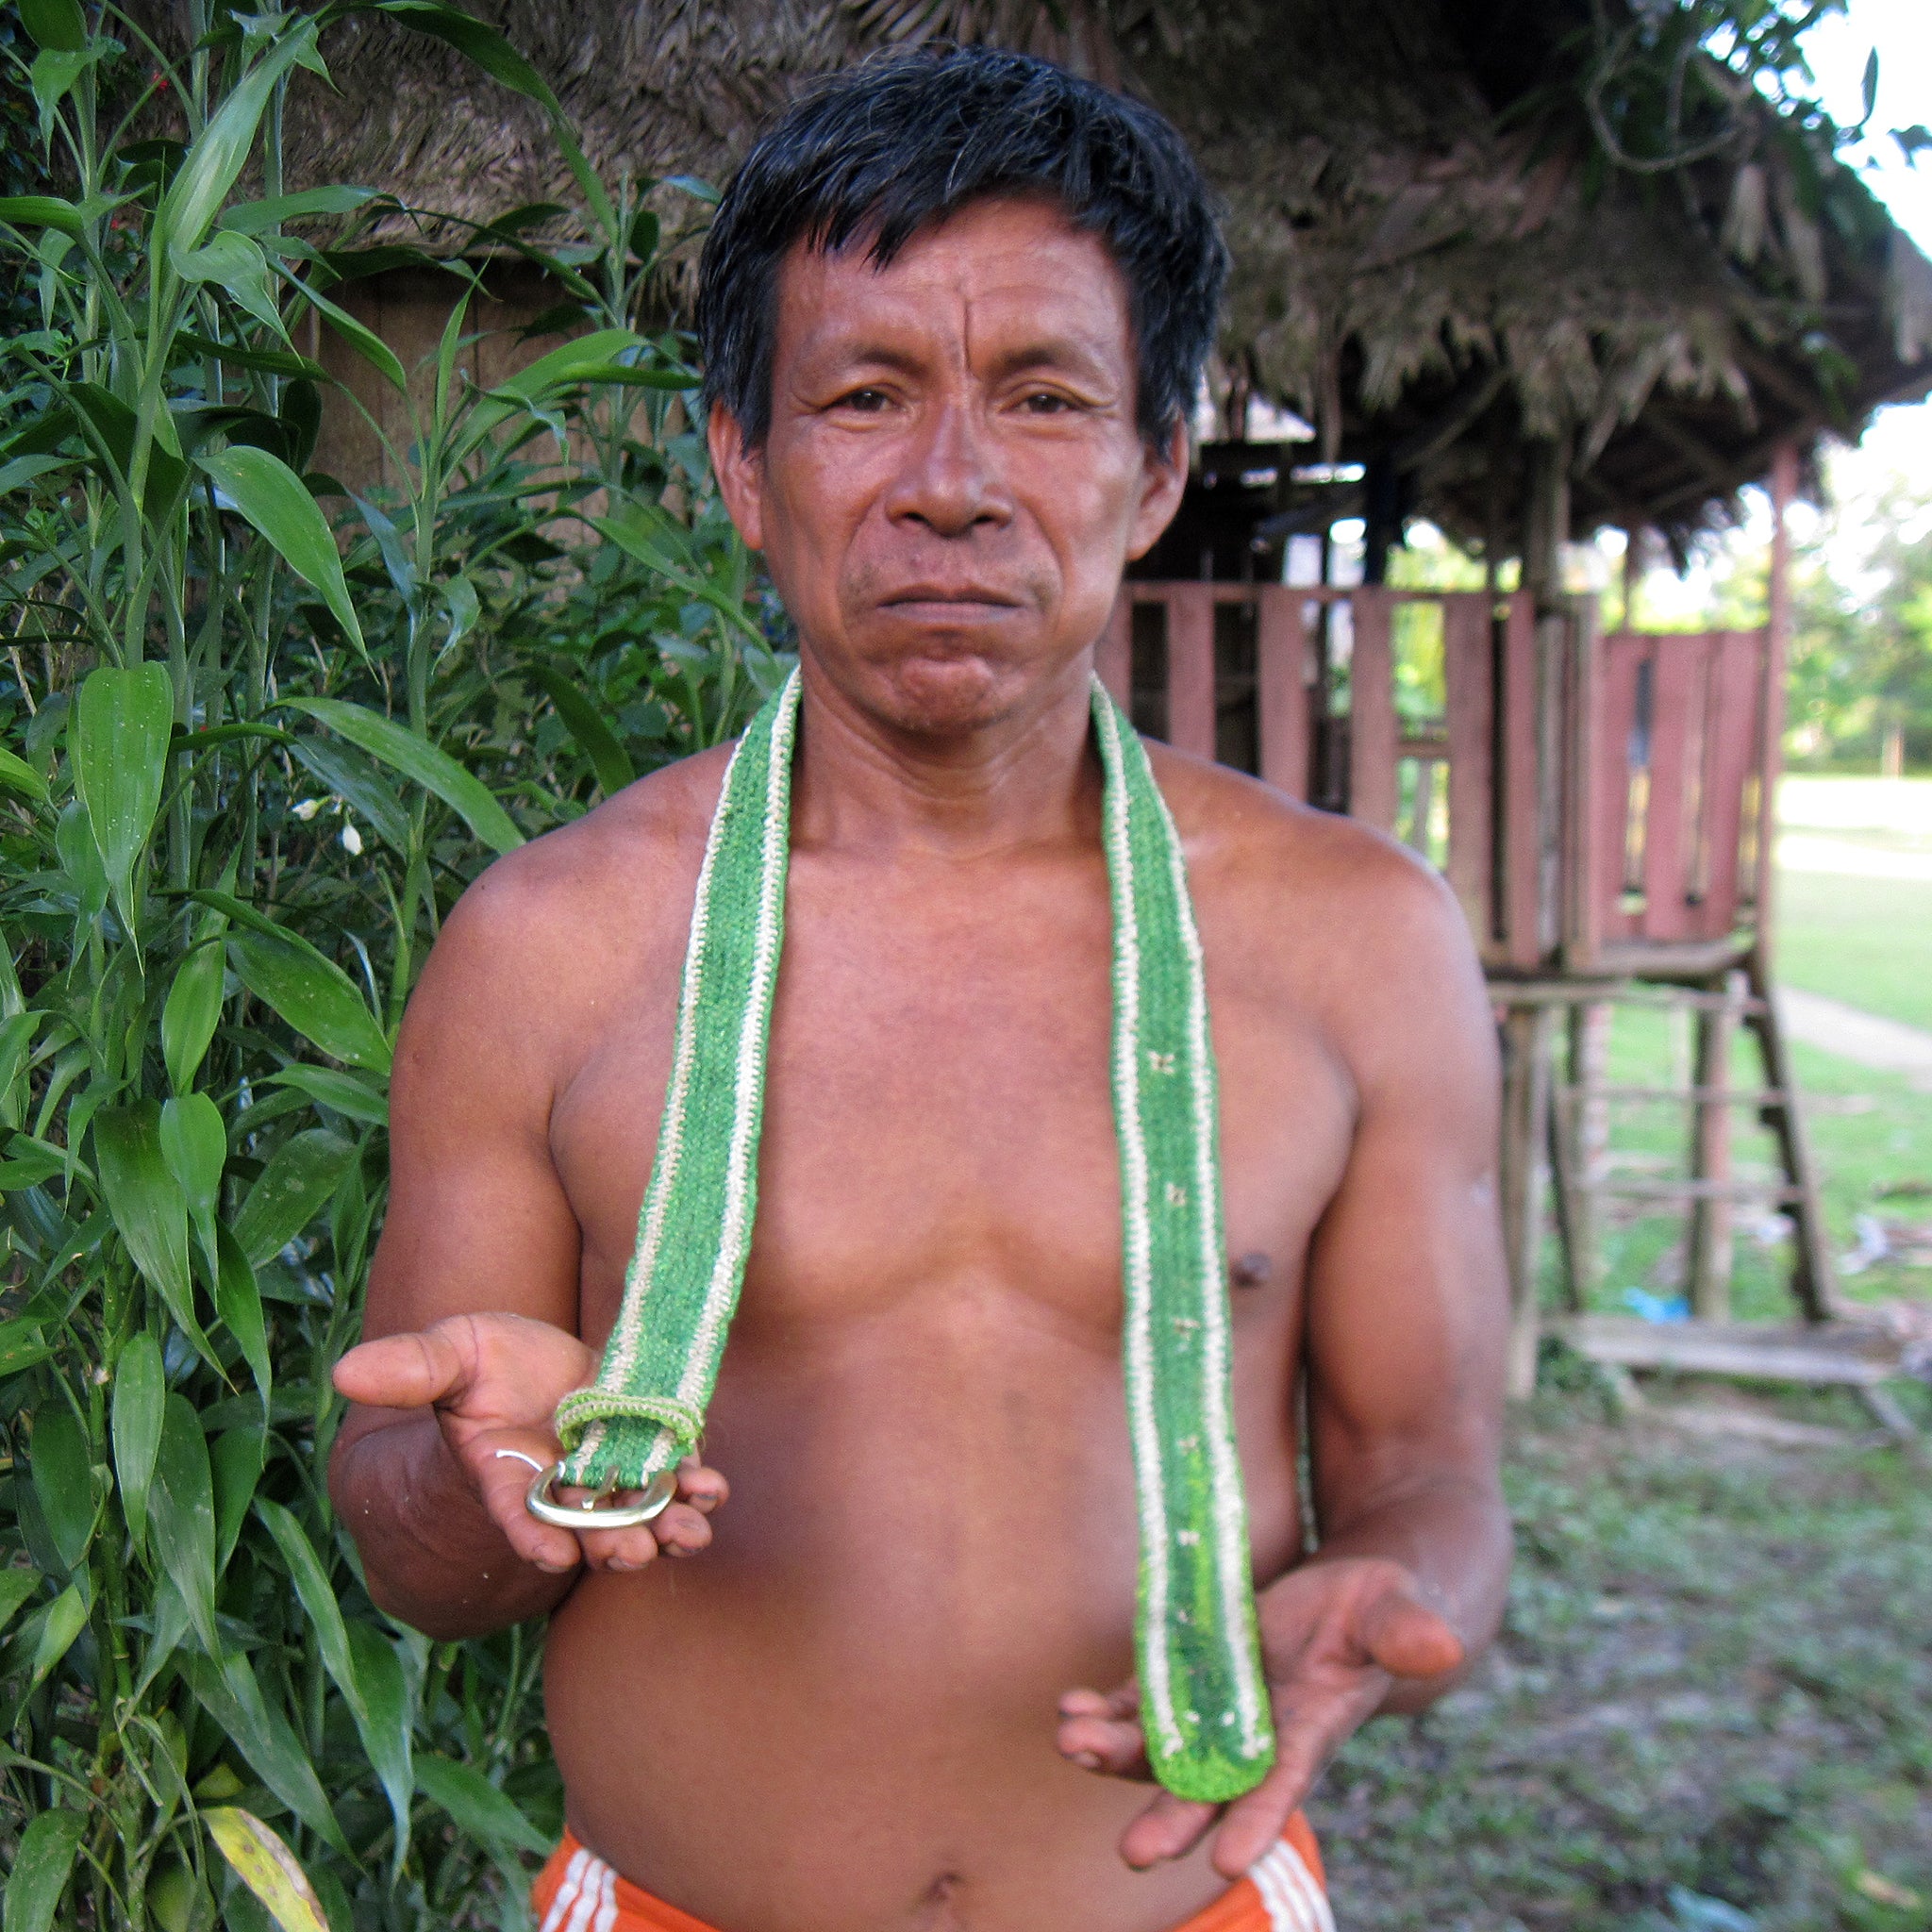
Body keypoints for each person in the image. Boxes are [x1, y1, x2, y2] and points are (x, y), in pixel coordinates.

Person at [329, 46, 1511, 1932]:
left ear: (1154, 471)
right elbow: (405, 1526)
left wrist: (1396, 1596)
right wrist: (474, 1494)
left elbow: (1432, 1469)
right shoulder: (553, 945)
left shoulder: (1351, 938)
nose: (952, 485)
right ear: (743, 464)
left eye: (1042, 397)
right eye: (866, 395)